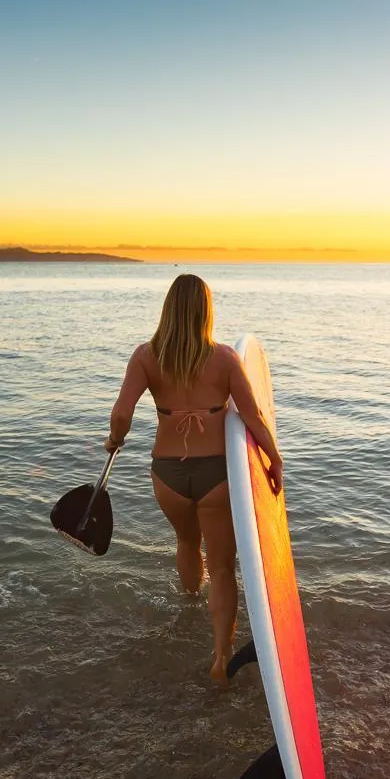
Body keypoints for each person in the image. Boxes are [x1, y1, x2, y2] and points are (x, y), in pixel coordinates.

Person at [105, 274, 283, 685]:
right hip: (216, 475)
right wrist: (274, 459)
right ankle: (221, 657)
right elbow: (254, 417)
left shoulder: (146, 357)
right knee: (220, 567)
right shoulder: (224, 358)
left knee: (186, 541)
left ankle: (188, 607)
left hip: (167, 475)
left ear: (168, 309)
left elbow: (121, 414)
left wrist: (115, 440)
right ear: (206, 311)